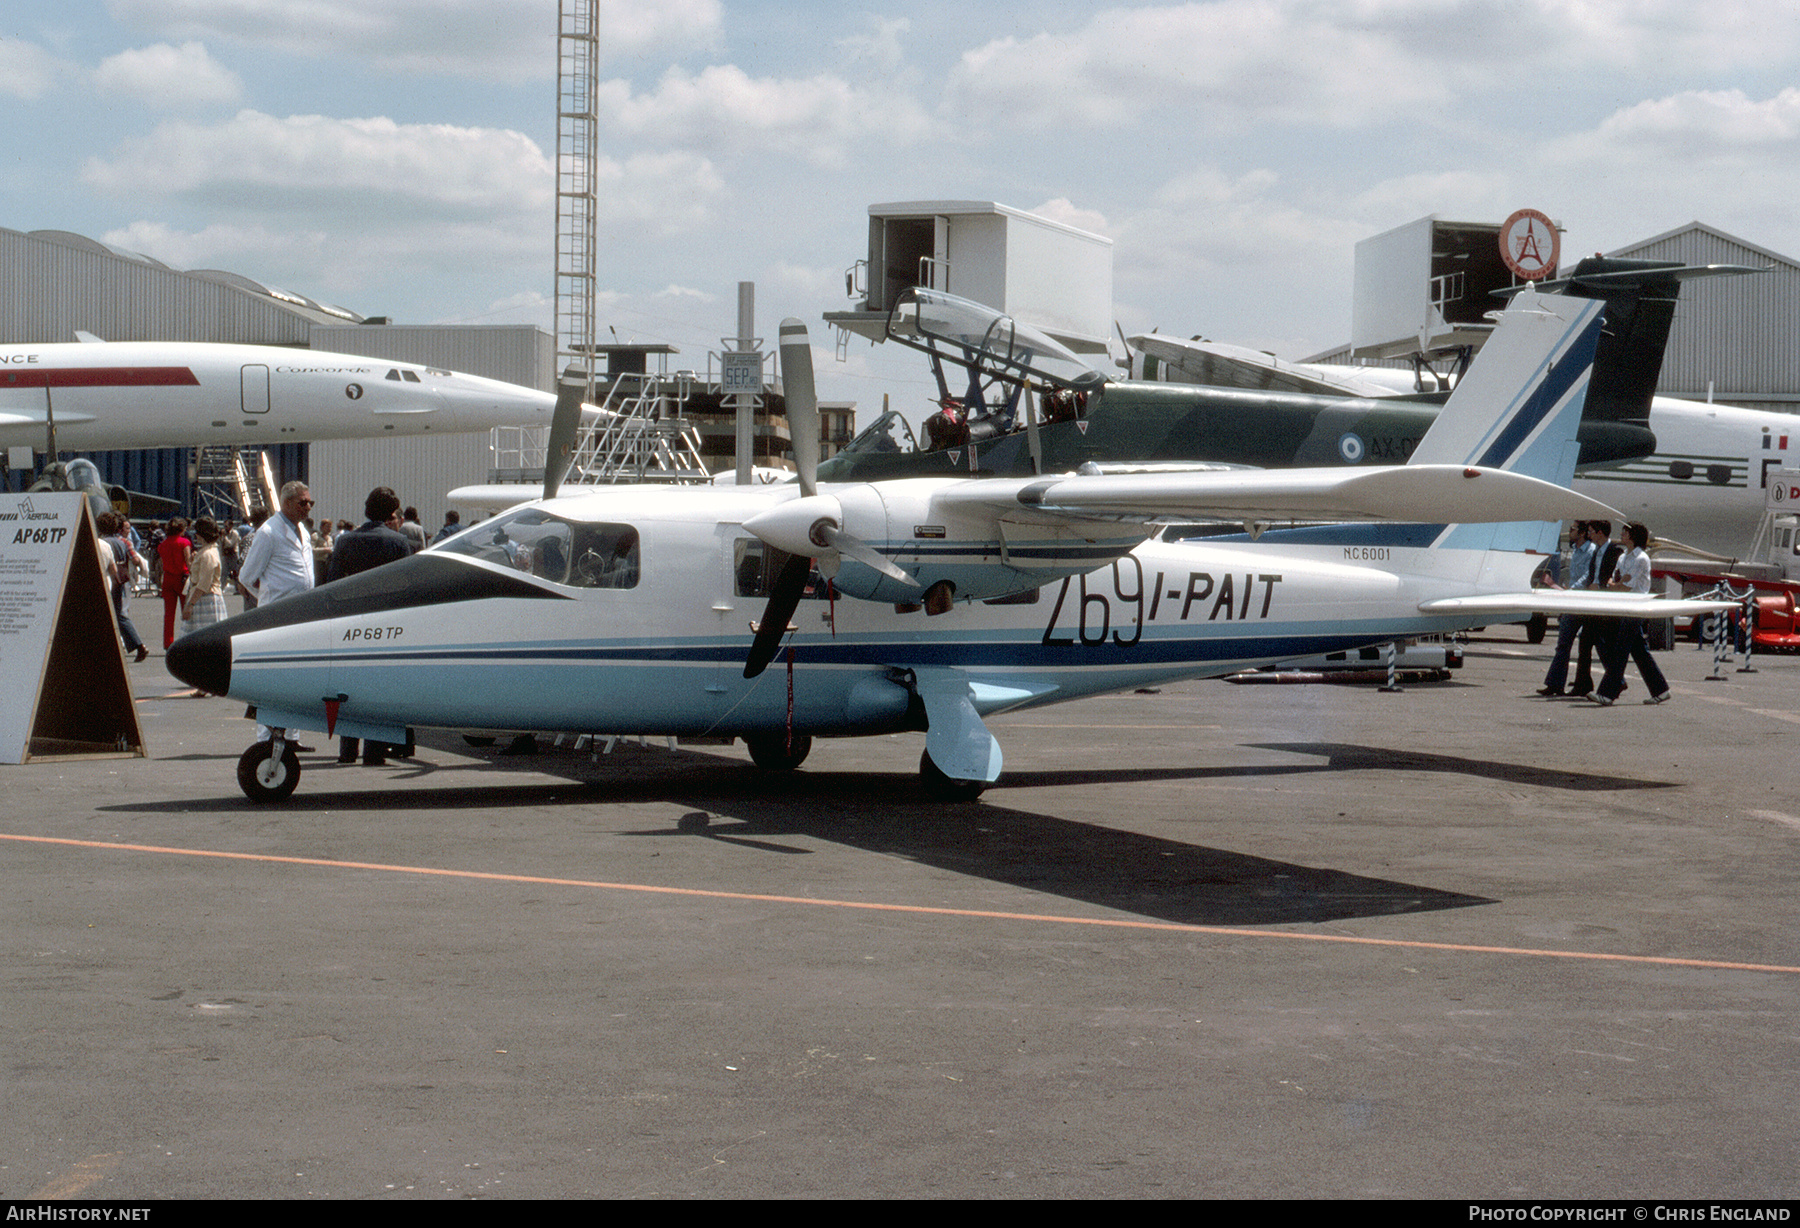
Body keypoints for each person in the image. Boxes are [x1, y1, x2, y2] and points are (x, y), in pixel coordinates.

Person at [326, 487, 413, 763]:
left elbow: (332, 585)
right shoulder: (398, 543)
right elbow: (406, 588)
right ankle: (374, 752)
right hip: (386, 624)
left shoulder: (345, 541)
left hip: (351, 622)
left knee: (347, 687)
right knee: (378, 688)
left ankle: (347, 750)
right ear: (391, 512)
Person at [238, 482, 318, 749]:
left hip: (302, 617)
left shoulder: (303, 530)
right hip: (278, 617)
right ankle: (266, 739)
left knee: (298, 679)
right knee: (273, 680)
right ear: (286, 503)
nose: (307, 507)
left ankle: (291, 737)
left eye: (310, 503)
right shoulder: (269, 532)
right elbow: (247, 576)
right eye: (302, 503)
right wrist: (269, 598)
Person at [1591, 522, 1671, 706]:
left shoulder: (1641, 558)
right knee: (1639, 652)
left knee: (1621, 650)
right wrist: (1617, 584)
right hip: (1623, 606)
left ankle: (1607, 693)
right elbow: (1615, 579)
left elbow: (1627, 585)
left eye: (1625, 532)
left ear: (1633, 536)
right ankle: (1661, 689)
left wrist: (1618, 584)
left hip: (1636, 607)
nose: (1622, 534)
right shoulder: (1624, 557)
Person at [1537, 521, 1594, 696]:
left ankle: (1584, 684)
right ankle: (1555, 684)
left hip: (1583, 601)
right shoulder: (1576, 551)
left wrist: (1572, 590)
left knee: (1588, 646)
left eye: (1573, 529)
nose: (1569, 532)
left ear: (1582, 533)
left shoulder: (1590, 551)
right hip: (1572, 601)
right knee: (1563, 644)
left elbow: (1587, 575)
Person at [1567, 520, 1623, 697]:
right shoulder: (1596, 551)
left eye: (1591, 531)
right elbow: (1592, 573)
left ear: (1600, 532)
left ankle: (1615, 681)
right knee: (1586, 640)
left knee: (1602, 643)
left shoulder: (1615, 551)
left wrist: (1601, 587)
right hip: (1594, 601)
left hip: (1606, 603)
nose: (1589, 534)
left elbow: (1615, 576)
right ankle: (1584, 684)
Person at [179, 519, 227, 692]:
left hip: (205, 599)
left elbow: (203, 583)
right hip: (206, 597)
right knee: (206, 645)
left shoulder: (207, 554)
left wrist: (190, 604)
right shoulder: (209, 551)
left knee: (203, 644)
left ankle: (207, 683)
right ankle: (209, 682)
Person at [97, 512, 149, 662]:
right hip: (121, 580)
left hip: (109, 581)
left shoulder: (102, 543)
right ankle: (137, 645)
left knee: (113, 615)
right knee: (119, 614)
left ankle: (135, 645)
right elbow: (133, 559)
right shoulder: (122, 542)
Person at [156, 517, 192, 650]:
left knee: (169, 614)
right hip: (182, 578)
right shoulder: (184, 542)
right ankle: (187, 639)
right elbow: (188, 561)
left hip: (168, 578)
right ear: (181, 529)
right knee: (186, 610)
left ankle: (168, 642)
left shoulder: (163, 544)